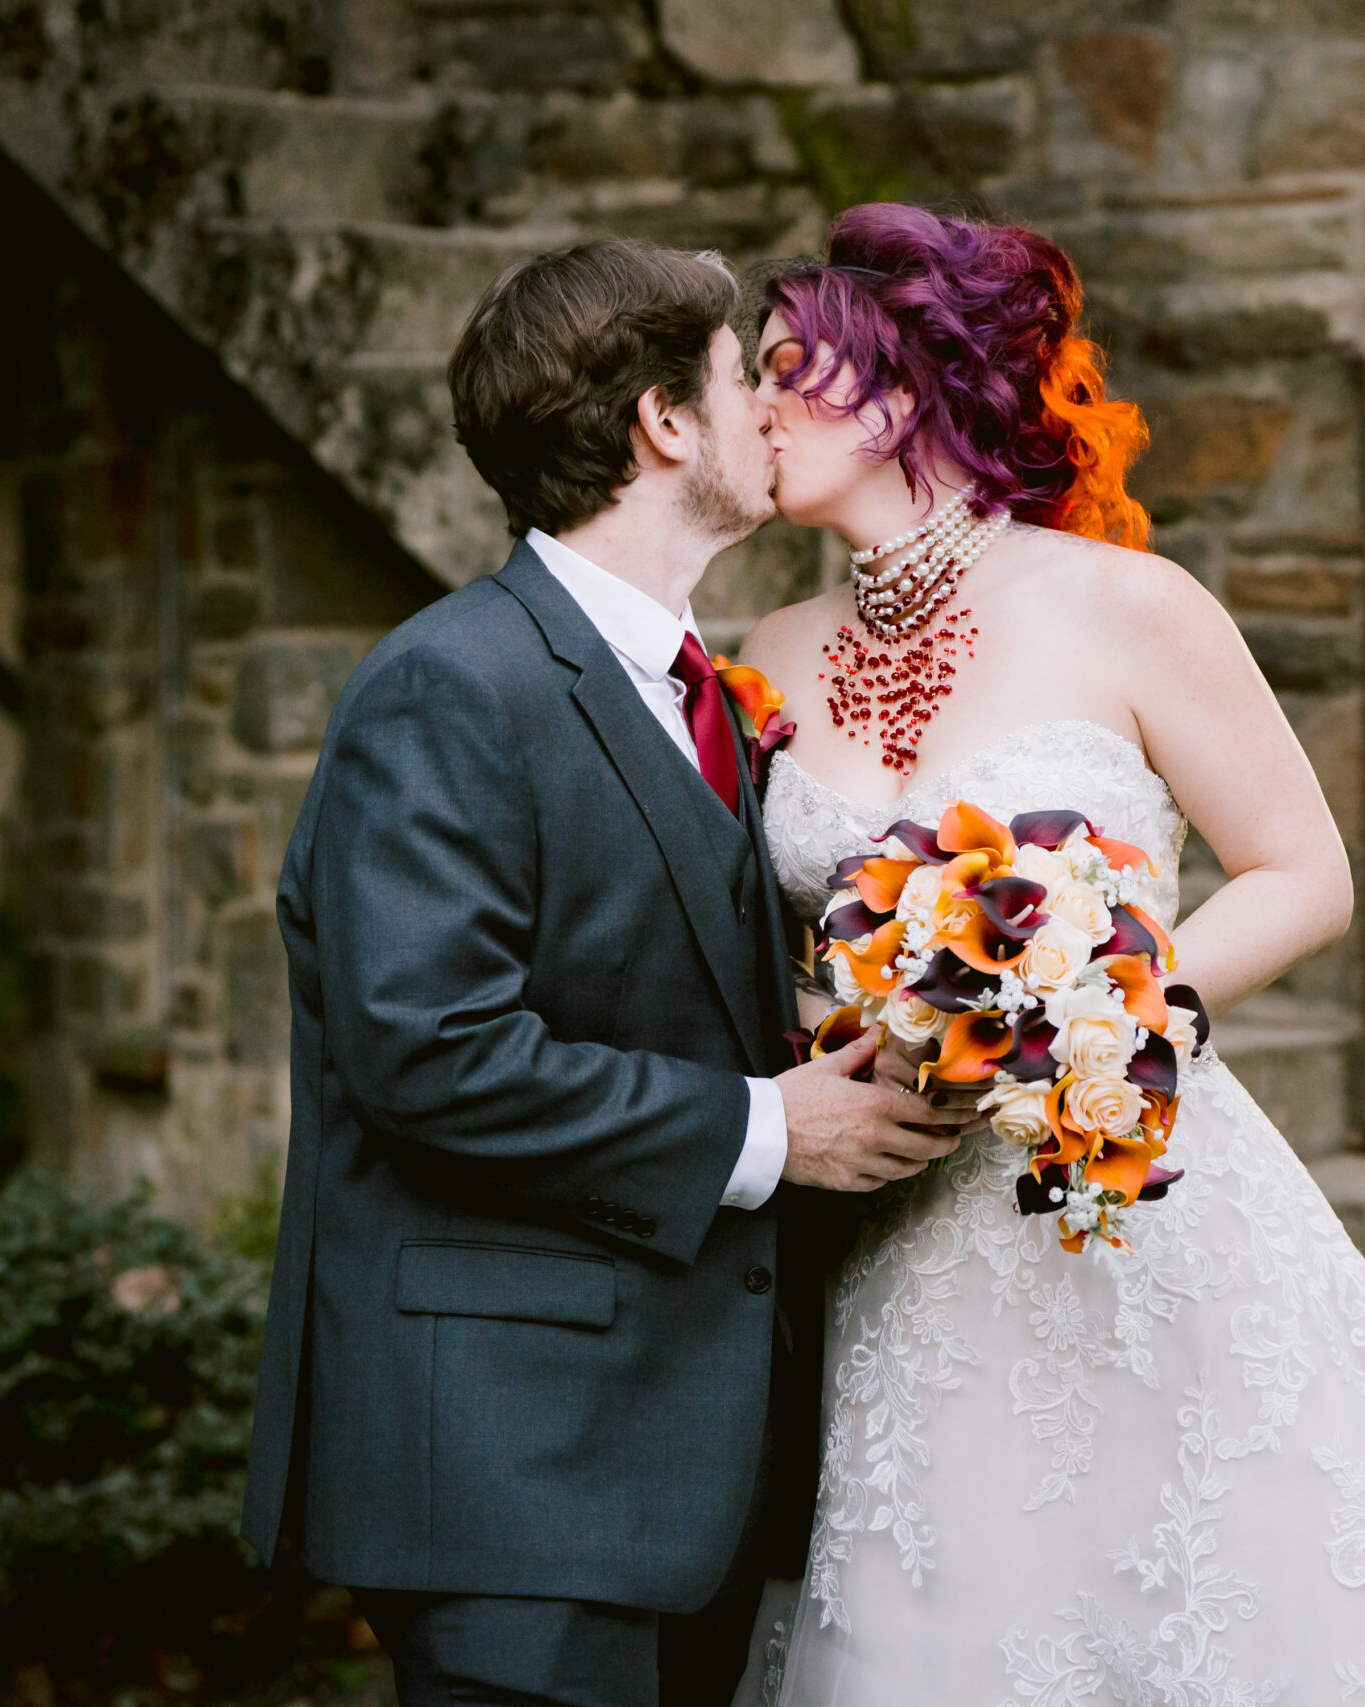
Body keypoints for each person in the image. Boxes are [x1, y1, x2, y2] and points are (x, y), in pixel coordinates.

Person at [729, 204, 1365, 1704]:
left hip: (1134, 1194)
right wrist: (838, 1041)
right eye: (756, 368)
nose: (759, 402)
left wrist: (1098, 1011)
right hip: (899, 1232)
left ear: (907, 385)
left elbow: (1303, 873)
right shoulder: (766, 654)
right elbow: (767, 947)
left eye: (798, 364)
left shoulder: (1126, 605)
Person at [239, 237, 981, 1707]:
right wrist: (777, 1128)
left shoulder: (709, 691)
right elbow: (428, 1052)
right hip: (514, 1473)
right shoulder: (450, 684)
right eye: (740, 381)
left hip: (685, 1473)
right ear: (661, 424)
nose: (774, 412)